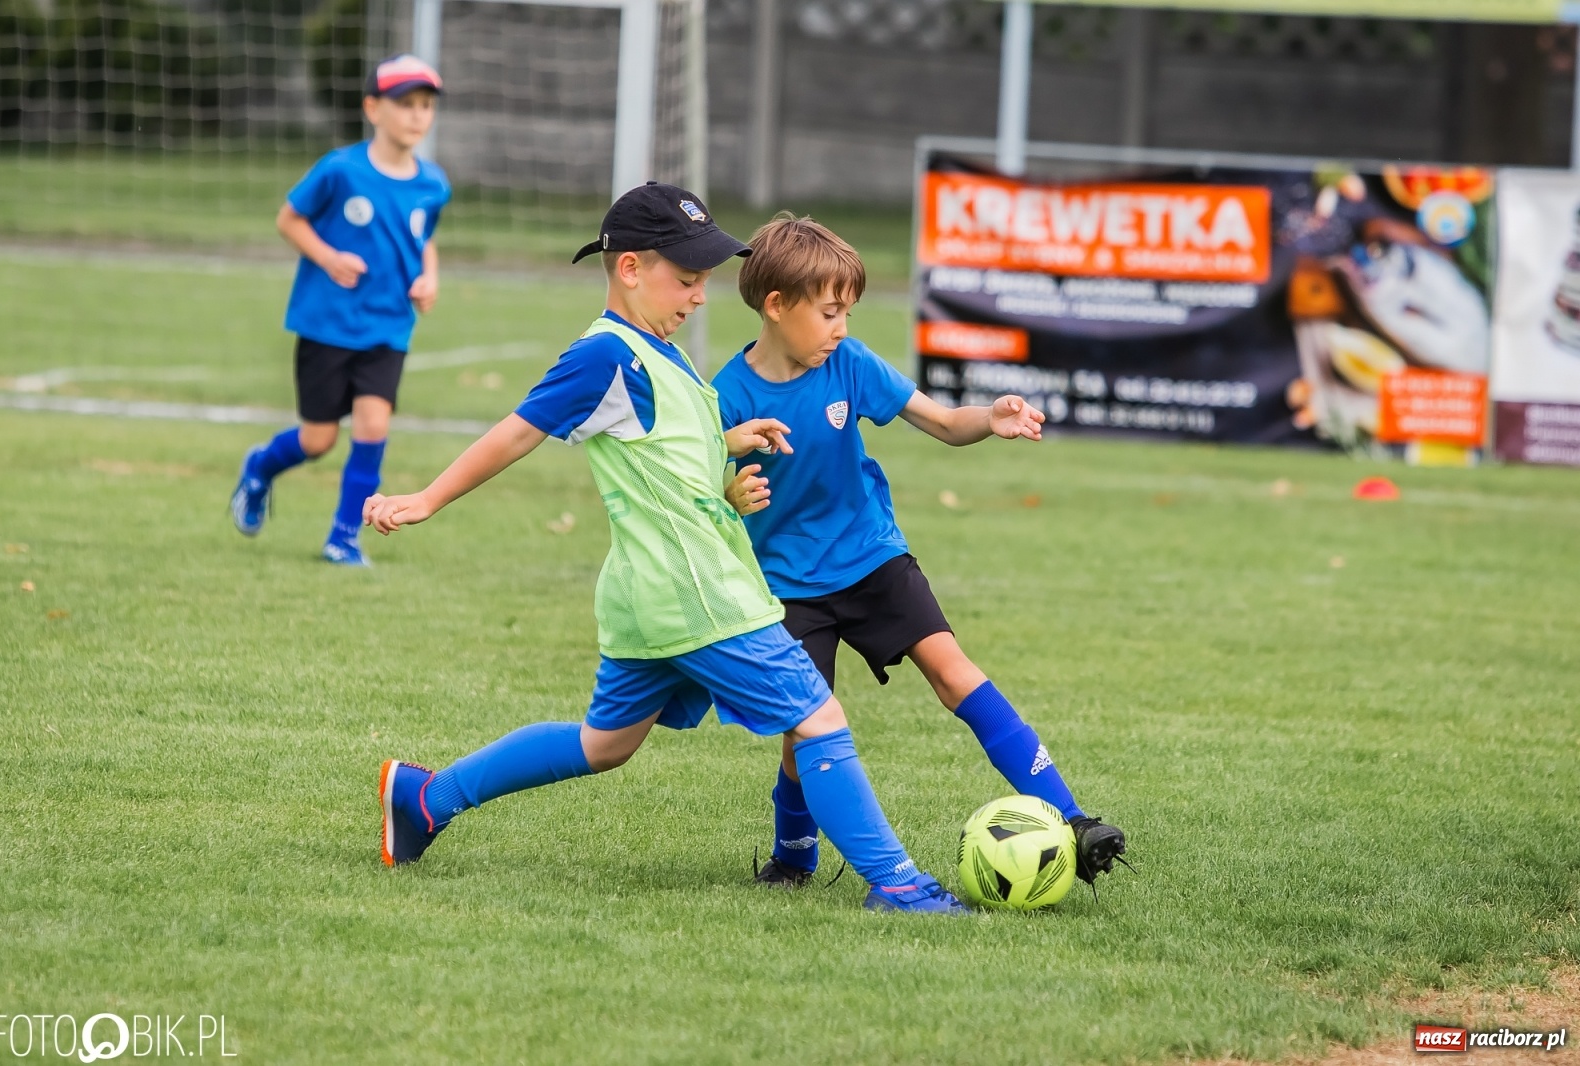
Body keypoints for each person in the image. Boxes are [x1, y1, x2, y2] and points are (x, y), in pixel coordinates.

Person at [361, 184, 967, 914]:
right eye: (685, 281)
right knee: (819, 717)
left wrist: (731, 446)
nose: (700, 297)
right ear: (630, 270)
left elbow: (669, 451)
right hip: (699, 594)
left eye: (704, 280)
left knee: (604, 744)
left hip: (651, 597)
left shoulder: (663, 355)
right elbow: (518, 429)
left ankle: (426, 799)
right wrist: (426, 498)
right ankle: (901, 886)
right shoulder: (605, 358)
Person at [713, 214, 1128, 890]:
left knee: (953, 670)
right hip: (787, 584)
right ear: (776, 306)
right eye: (829, 312)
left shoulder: (848, 363)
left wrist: (987, 421)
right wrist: (731, 495)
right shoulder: (728, 394)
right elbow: (704, 488)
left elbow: (938, 420)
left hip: (873, 558)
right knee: (802, 730)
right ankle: (794, 855)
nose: (842, 326)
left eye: (848, 311)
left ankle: (1073, 818)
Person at [230, 54, 451, 567]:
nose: (417, 116)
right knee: (318, 439)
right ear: (373, 108)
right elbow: (290, 219)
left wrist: (429, 277)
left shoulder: (433, 183)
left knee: (374, 426)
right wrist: (329, 257)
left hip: (389, 326)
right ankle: (261, 466)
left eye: (426, 106)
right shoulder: (340, 170)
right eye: (405, 104)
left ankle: (344, 538)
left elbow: (426, 239)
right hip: (328, 325)